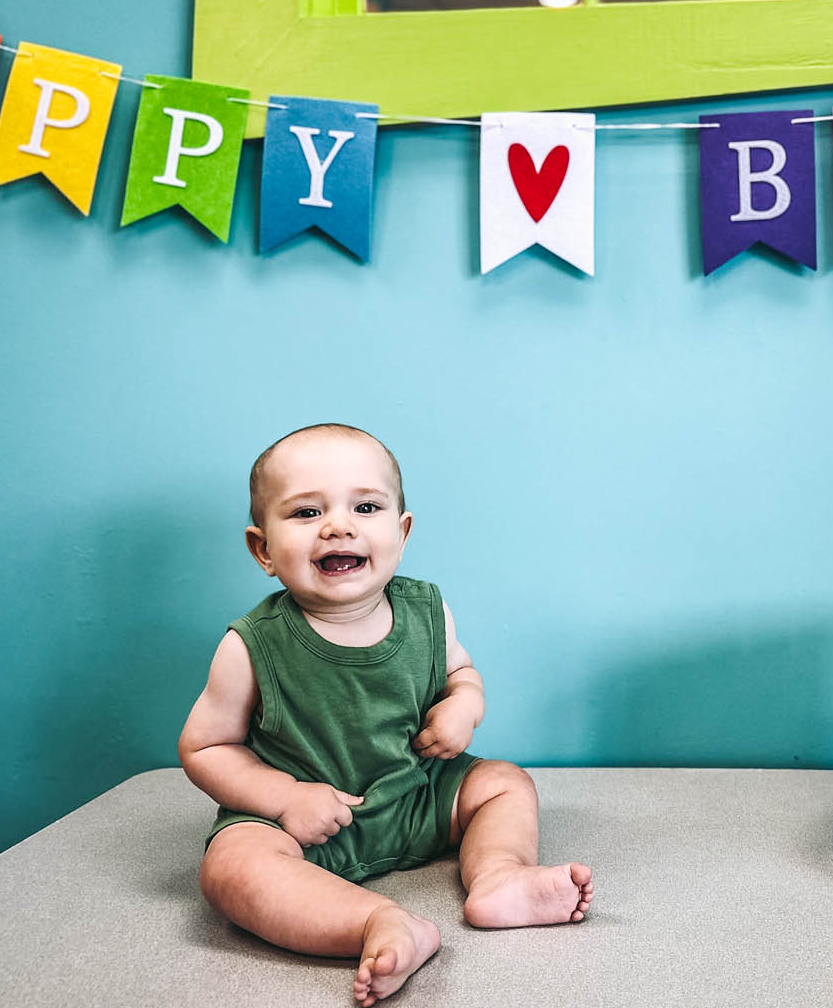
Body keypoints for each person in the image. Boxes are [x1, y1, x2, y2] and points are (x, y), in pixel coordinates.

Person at [179, 423, 593, 1006]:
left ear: (401, 533)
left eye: (365, 507)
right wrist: (283, 799)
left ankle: (499, 877)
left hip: (419, 794)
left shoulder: (427, 610)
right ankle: (378, 922)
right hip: (306, 825)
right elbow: (205, 747)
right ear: (263, 549)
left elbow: (462, 675)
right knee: (230, 870)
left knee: (503, 782)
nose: (338, 525)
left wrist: (463, 707)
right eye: (305, 514)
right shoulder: (252, 645)